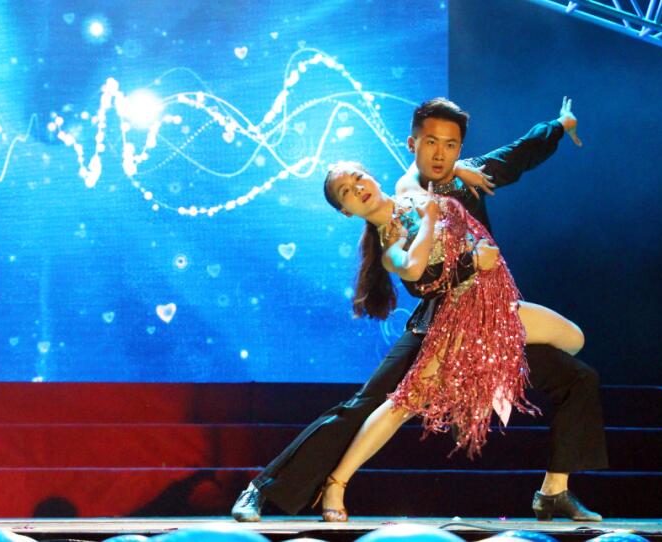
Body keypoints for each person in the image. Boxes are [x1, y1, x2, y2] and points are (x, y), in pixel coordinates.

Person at [232, 98, 607, 523]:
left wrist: (558, 125)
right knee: (368, 404)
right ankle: (264, 489)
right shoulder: (404, 203)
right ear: (413, 145)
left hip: (490, 316)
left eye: (450, 145)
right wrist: (469, 259)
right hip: (439, 323)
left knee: (578, 376)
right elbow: (421, 279)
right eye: (431, 143)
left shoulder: (464, 176)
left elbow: (517, 154)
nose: (441, 153)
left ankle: (554, 490)